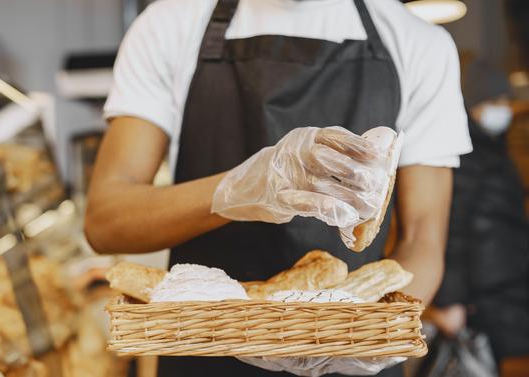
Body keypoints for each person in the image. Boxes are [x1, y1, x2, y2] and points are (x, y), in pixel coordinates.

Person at [85, 0, 472, 376]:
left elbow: (423, 238)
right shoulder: (171, 25)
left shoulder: (418, 43)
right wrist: (237, 190)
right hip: (205, 355)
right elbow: (105, 221)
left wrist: (371, 341)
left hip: (347, 348)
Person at [429, 60, 529, 365]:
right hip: (480, 298)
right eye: (493, 101)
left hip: (500, 288)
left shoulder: (491, 147)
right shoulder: (466, 155)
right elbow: (451, 229)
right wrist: (450, 300)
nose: (503, 110)